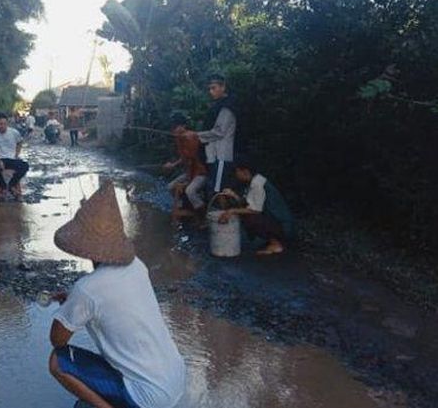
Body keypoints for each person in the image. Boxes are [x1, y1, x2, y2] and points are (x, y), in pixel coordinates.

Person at [49, 181, 186, 408]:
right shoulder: (137, 266)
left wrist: (70, 306)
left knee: (57, 362)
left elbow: (57, 340)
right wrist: (74, 302)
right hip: (175, 379)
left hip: (148, 397)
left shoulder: (87, 288)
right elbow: (117, 303)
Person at [218, 157, 295, 255]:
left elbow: (255, 210)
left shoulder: (257, 183)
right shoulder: (254, 181)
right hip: (278, 222)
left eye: (237, 172)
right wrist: (233, 196)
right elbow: (250, 203)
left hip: (284, 226)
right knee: (243, 212)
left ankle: (277, 244)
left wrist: (232, 211)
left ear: (245, 171)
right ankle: (273, 240)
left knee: (250, 217)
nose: (236, 175)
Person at [163, 113, 207, 218]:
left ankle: (202, 217)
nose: (174, 130)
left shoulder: (191, 136)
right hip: (189, 172)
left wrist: (186, 182)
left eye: (176, 127)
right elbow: (184, 158)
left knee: (190, 191)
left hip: (201, 173)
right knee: (169, 187)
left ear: (183, 126)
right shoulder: (179, 138)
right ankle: (184, 208)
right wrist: (173, 165)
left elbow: (192, 158)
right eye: (173, 128)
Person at [198, 74, 237, 193]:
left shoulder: (228, 106)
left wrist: (196, 136)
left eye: (213, 88)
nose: (211, 91)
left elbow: (219, 132)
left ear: (223, 87)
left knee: (218, 190)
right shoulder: (217, 106)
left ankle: (222, 211)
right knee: (213, 186)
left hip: (222, 155)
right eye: (209, 89)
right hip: (213, 155)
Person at [0, 112, 29, 199]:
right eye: (0, 124)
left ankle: (11, 185)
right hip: (0, 159)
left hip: (11, 159)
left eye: (4, 124)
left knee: (25, 166)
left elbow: (20, 142)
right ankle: (3, 186)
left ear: (7, 124)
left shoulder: (14, 132)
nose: (2, 126)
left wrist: (16, 154)